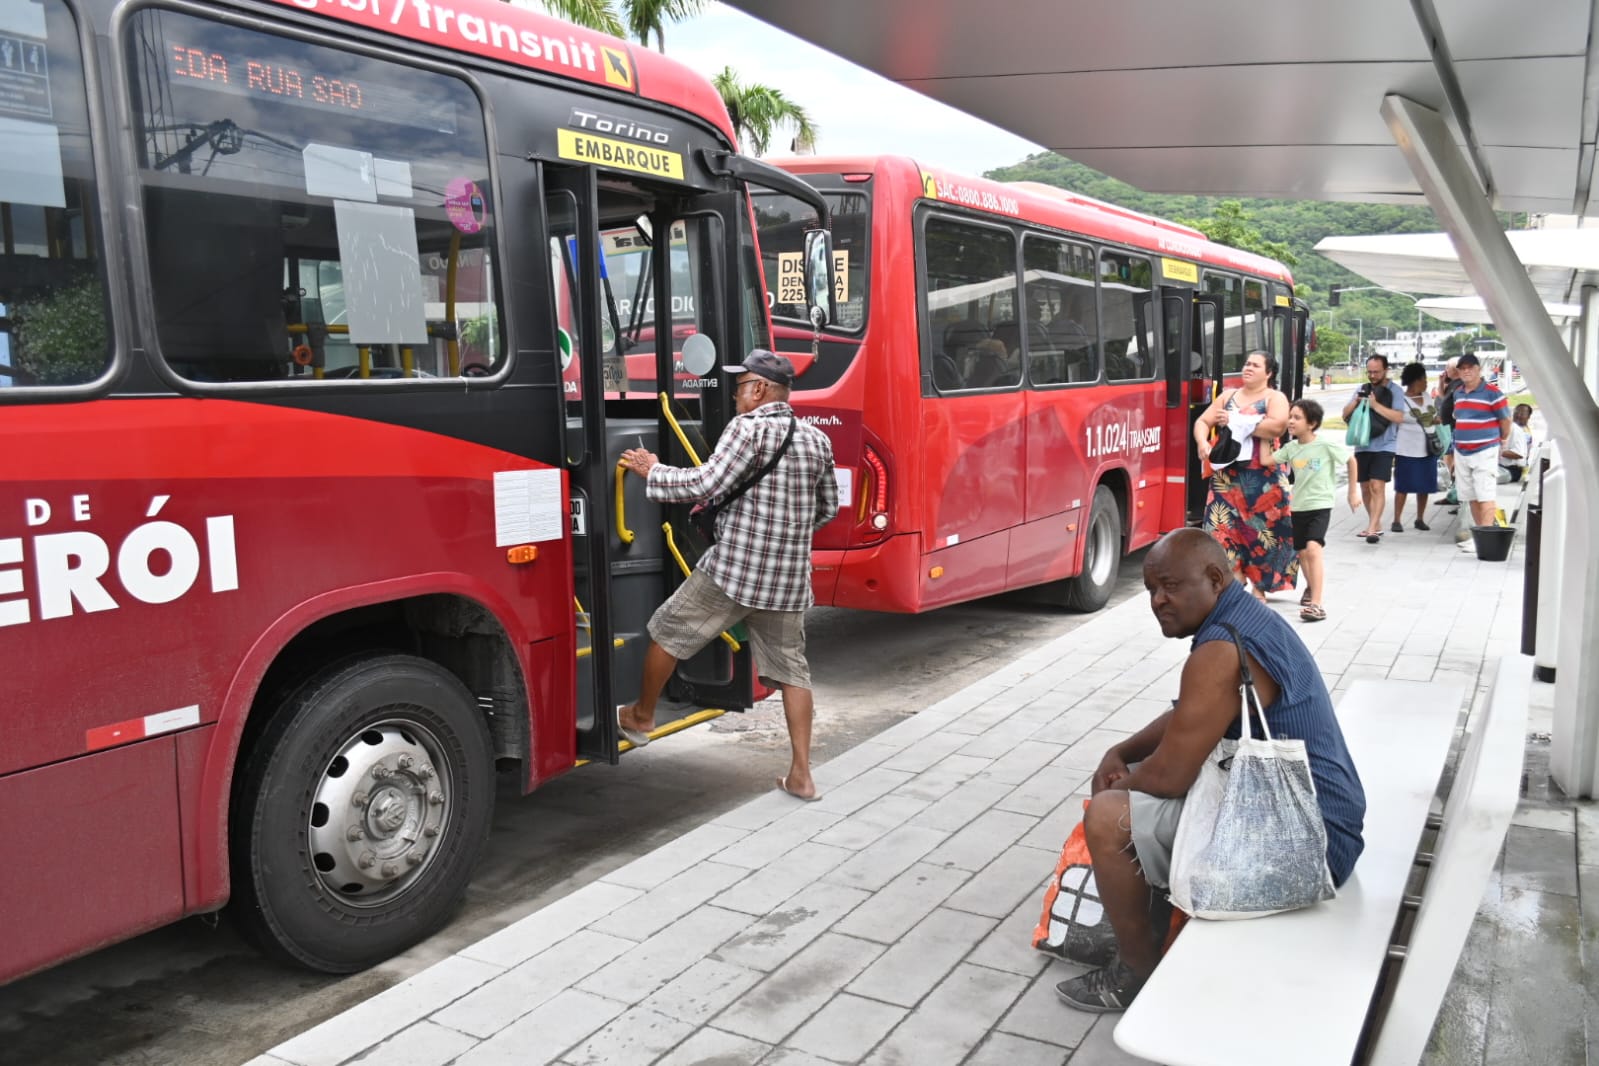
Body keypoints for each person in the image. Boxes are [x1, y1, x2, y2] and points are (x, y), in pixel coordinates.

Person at [1053, 529, 1366, 1013]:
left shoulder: (1221, 651)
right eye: (1151, 590)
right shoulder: (1243, 620)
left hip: (1310, 845)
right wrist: (1123, 750)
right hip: (1323, 818)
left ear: (1215, 579)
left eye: (1171, 587)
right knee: (1135, 786)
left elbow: (1171, 776)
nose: (1158, 601)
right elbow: (1189, 713)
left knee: (1107, 816)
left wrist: (1120, 783)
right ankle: (1156, 916)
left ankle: (1135, 973)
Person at [617, 349, 838, 800]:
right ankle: (801, 774)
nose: (736, 396)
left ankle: (641, 716)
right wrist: (787, 534)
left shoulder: (747, 428)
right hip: (788, 578)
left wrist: (652, 469)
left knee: (667, 630)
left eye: (740, 387)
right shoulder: (817, 440)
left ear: (759, 390)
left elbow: (705, 484)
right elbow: (828, 508)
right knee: (793, 672)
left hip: (735, 570)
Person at [1192, 350, 1298, 600]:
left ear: (1269, 373)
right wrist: (1202, 443)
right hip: (1226, 479)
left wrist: (1234, 419)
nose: (1248, 367)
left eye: (1255, 365)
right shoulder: (1228, 395)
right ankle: (1230, 587)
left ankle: (1260, 588)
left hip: (1263, 481)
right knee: (1220, 532)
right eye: (1247, 363)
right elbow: (1202, 422)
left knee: (1263, 535)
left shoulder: (1275, 397)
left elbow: (1277, 426)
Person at [1262, 399, 1358, 623]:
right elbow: (1267, 460)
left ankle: (1317, 604)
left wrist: (1353, 492)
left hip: (1320, 504)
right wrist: (1265, 434)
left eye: (1297, 418)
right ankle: (1311, 589)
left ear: (1312, 423)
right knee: (1303, 553)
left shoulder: (1324, 445)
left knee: (1313, 549)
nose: (1291, 421)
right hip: (1298, 506)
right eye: (1290, 417)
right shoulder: (1291, 448)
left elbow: (1351, 460)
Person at [1341, 355, 1407, 544]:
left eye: (1376, 372)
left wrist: (1375, 405)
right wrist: (1356, 401)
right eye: (1369, 371)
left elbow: (1399, 417)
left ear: (1385, 370)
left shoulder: (1395, 391)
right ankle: (1374, 523)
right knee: (1365, 486)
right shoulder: (1362, 388)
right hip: (1362, 444)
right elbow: (1345, 414)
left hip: (1386, 444)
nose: (1372, 375)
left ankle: (1372, 528)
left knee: (1377, 485)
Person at [1449, 352, 1511, 544]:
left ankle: (1485, 540)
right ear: (1458, 371)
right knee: (1471, 496)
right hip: (1462, 450)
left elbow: (1505, 419)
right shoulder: (1458, 392)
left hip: (1485, 450)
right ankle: (1478, 538)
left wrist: (1503, 439)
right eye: (1463, 368)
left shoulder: (1493, 393)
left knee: (1485, 495)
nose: (1466, 371)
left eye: (1470, 367)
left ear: (1479, 370)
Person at [1390, 361, 1440, 533]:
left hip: (1427, 448)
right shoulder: (1400, 400)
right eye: (1424, 379)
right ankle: (1397, 520)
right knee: (1402, 486)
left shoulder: (1427, 396)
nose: (1426, 382)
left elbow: (1433, 415)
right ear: (1415, 380)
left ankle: (1420, 518)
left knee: (1424, 486)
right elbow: (1395, 420)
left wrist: (1436, 419)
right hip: (1406, 449)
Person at [1434, 357, 1464, 509]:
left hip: (1459, 429)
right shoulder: (1453, 383)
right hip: (1452, 428)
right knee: (1450, 456)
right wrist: (1441, 381)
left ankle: (1458, 497)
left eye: (1447, 367)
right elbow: (1442, 396)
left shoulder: (1461, 385)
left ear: (1455, 370)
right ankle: (1454, 495)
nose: (1445, 370)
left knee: (1457, 462)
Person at [1499, 403, 1534, 483]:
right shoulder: (1516, 428)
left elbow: (1519, 454)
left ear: (1528, 417)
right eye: (1516, 412)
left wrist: (1495, 451)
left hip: (1514, 469)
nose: (1518, 415)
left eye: (1522, 413)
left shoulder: (1524, 433)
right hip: (1508, 467)